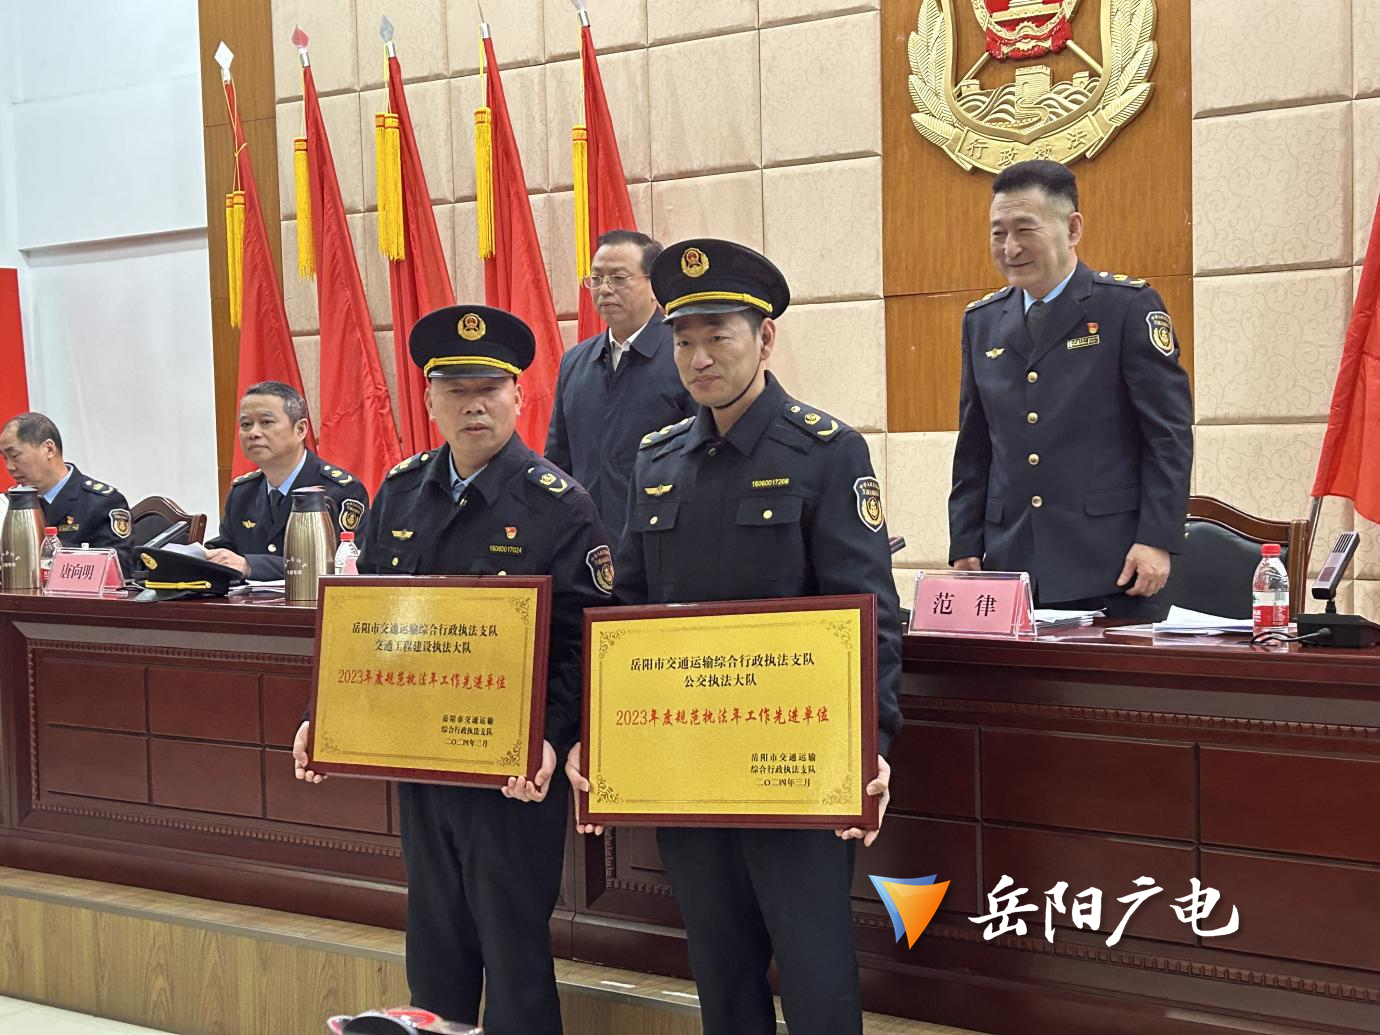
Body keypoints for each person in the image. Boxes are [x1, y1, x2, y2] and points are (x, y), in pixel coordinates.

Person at [565, 239, 900, 1035]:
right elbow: (628, 614)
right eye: (684, 339)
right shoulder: (657, 461)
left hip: (798, 766)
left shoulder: (825, 452)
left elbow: (869, 613)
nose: (699, 357)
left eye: (719, 335)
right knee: (721, 973)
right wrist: (598, 736)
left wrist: (873, 745)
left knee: (817, 974)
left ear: (765, 337)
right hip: (689, 766)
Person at [292, 305, 612, 1035]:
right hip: (423, 761)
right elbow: (368, 627)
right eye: (456, 389)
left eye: (490, 388)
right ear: (429, 398)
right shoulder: (400, 491)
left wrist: (551, 737)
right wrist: (325, 717)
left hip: (511, 774)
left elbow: (581, 644)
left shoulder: (560, 505)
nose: (474, 404)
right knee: (434, 943)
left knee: (514, 951)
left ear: (518, 396)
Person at [948, 160, 1193, 618]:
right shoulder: (982, 321)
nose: (1010, 247)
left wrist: (1157, 538)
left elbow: (1168, 435)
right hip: (1010, 562)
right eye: (998, 233)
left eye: (1025, 229)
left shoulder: (1126, 307)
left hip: (1112, 564)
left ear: (1073, 228)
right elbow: (975, 445)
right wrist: (964, 541)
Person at [545, 229, 693, 537]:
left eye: (619, 278)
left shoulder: (684, 355)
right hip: (588, 543)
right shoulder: (574, 362)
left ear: (654, 286)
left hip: (662, 538)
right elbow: (559, 464)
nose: (605, 289)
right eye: (597, 278)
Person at [204, 382, 368, 580]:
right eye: (246, 424)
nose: (253, 433)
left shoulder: (340, 491)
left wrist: (251, 566)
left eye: (266, 422)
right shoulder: (242, 492)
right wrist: (203, 557)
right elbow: (227, 548)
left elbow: (343, 565)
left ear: (300, 429)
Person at [0, 412, 133, 567]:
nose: (9, 467)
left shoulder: (101, 502)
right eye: (4, 458)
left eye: (15, 455)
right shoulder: (8, 504)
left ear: (49, 449)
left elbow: (122, 564)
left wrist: (48, 550)